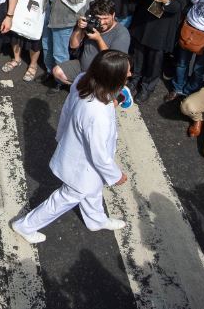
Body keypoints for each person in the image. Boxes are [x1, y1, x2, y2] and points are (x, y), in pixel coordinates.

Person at [10, 50, 131, 244]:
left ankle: (96, 220)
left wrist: (61, 136)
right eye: (126, 72)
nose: (129, 75)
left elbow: (67, 110)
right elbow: (99, 155)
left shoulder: (83, 80)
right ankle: (25, 225)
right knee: (64, 198)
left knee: (93, 190)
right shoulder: (97, 112)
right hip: (83, 166)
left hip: (77, 156)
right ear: (113, 77)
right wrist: (116, 176)